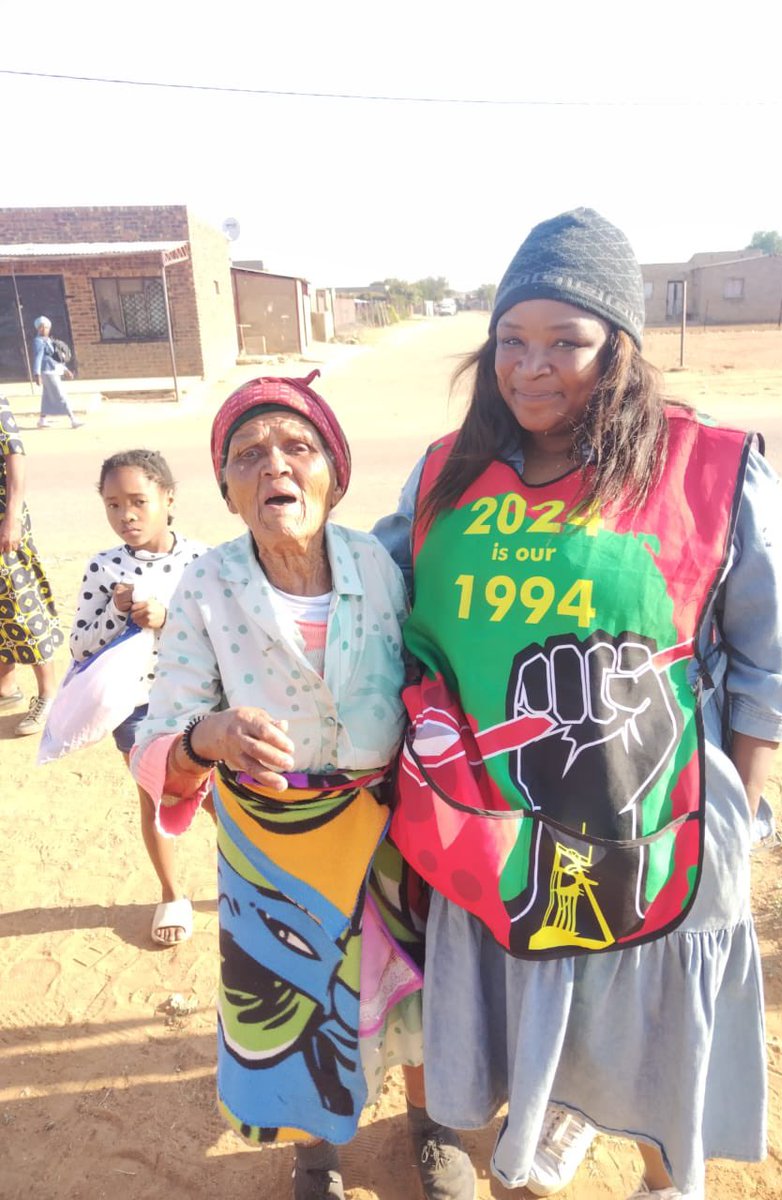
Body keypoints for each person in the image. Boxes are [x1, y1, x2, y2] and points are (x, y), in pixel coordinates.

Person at [373, 209, 782, 1199]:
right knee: (525, 1038)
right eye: (511, 341)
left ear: (617, 350)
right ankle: (539, 1147)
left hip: (658, 835)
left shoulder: (707, 468)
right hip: (492, 839)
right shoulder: (445, 477)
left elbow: (774, 655)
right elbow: (371, 599)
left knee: (662, 1049)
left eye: (565, 342)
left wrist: (737, 816)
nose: (531, 367)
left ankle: (668, 1183)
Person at [130, 375, 476, 1200]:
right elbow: (157, 741)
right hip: (276, 846)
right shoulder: (208, 587)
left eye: (296, 448)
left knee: (415, 987)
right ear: (225, 490)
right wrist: (209, 736)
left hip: (392, 823)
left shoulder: (381, 564)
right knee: (292, 1002)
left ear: (334, 473)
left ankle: (432, 1128)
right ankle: (312, 1153)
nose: (272, 466)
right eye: (247, 456)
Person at [70, 450, 208, 946]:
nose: (125, 515)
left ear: (168, 498)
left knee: (221, 797)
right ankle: (172, 892)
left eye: (137, 501)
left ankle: (253, 881)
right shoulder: (104, 568)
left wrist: (168, 617)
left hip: (200, 700)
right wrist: (116, 613)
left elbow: (224, 632)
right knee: (156, 796)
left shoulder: (202, 560)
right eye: (112, 504)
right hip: (137, 708)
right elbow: (80, 644)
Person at [0, 394, 64, 735]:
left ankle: (48, 694)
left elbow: (15, 452)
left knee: (20, 604)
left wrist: (12, 515)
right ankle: (6, 687)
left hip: (1, 524)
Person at [32, 317, 82, 430]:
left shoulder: (48, 340)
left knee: (47, 396)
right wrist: (37, 374)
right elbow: (38, 357)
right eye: (46, 327)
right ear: (40, 328)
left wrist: (65, 369)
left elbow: (54, 358)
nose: (47, 329)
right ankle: (73, 419)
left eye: (48, 327)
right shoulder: (38, 341)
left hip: (52, 369)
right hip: (47, 371)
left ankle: (42, 420)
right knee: (60, 394)